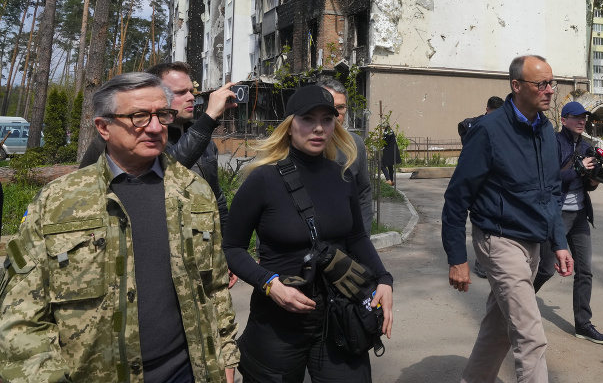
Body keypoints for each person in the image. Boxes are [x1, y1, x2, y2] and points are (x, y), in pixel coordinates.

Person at [0, 72, 239, 382]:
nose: (155, 127)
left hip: (185, 373)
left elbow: (215, 289)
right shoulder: (58, 201)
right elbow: (21, 315)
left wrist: (227, 361)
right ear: (104, 127)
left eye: (162, 115)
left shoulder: (194, 191)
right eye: (139, 117)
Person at [223, 85, 393, 382]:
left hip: (338, 316)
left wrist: (384, 279)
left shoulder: (342, 177)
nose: (318, 128)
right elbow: (232, 248)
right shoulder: (262, 179)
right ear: (289, 125)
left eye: (327, 119)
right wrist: (270, 284)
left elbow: (356, 238)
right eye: (307, 118)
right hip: (278, 322)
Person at [442, 54, 574, 383]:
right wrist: (457, 257)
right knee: (531, 336)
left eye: (551, 83)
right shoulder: (488, 131)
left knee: (499, 329)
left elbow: (551, 192)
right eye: (540, 84)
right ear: (516, 86)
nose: (549, 90)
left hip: (531, 243)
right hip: (498, 240)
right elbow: (457, 196)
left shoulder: (545, 129)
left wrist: (559, 242)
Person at [79, 61, 236, 228]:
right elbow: (165, 172)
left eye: (191, 91)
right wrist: (209, 118)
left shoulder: (204, 139)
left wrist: (226, 245)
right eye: (180, 92)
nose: (191, 97)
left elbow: (216, 198)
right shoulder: (127, 140)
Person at [532, 101, 603, 344]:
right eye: (576, 117)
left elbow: (584, 184)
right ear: (564, 120)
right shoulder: (553, 143)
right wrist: (577, 170)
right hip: (556, 215)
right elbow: (549, 178)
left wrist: (593, 180)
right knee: (545, 268)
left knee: (585, 270)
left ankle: (583, 324)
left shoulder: (587, 146)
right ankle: (516, 304)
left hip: (579, 216)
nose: (581, 121)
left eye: (584, 117)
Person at [317, 77, 374, 234]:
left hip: (344, 244)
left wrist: (363, 238)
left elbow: (363, 194)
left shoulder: (355, 144)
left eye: (340, 107)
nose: (335, 114)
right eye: (329, 107)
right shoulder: (299, 143)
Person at [458, 95, 505, 279]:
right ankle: (481, 262)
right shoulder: (476, 125)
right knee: (481, 218)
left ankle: (489, 259)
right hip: (478, 177)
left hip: (494, 178)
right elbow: (464, 130)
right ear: (487, 110)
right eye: (493, 113)